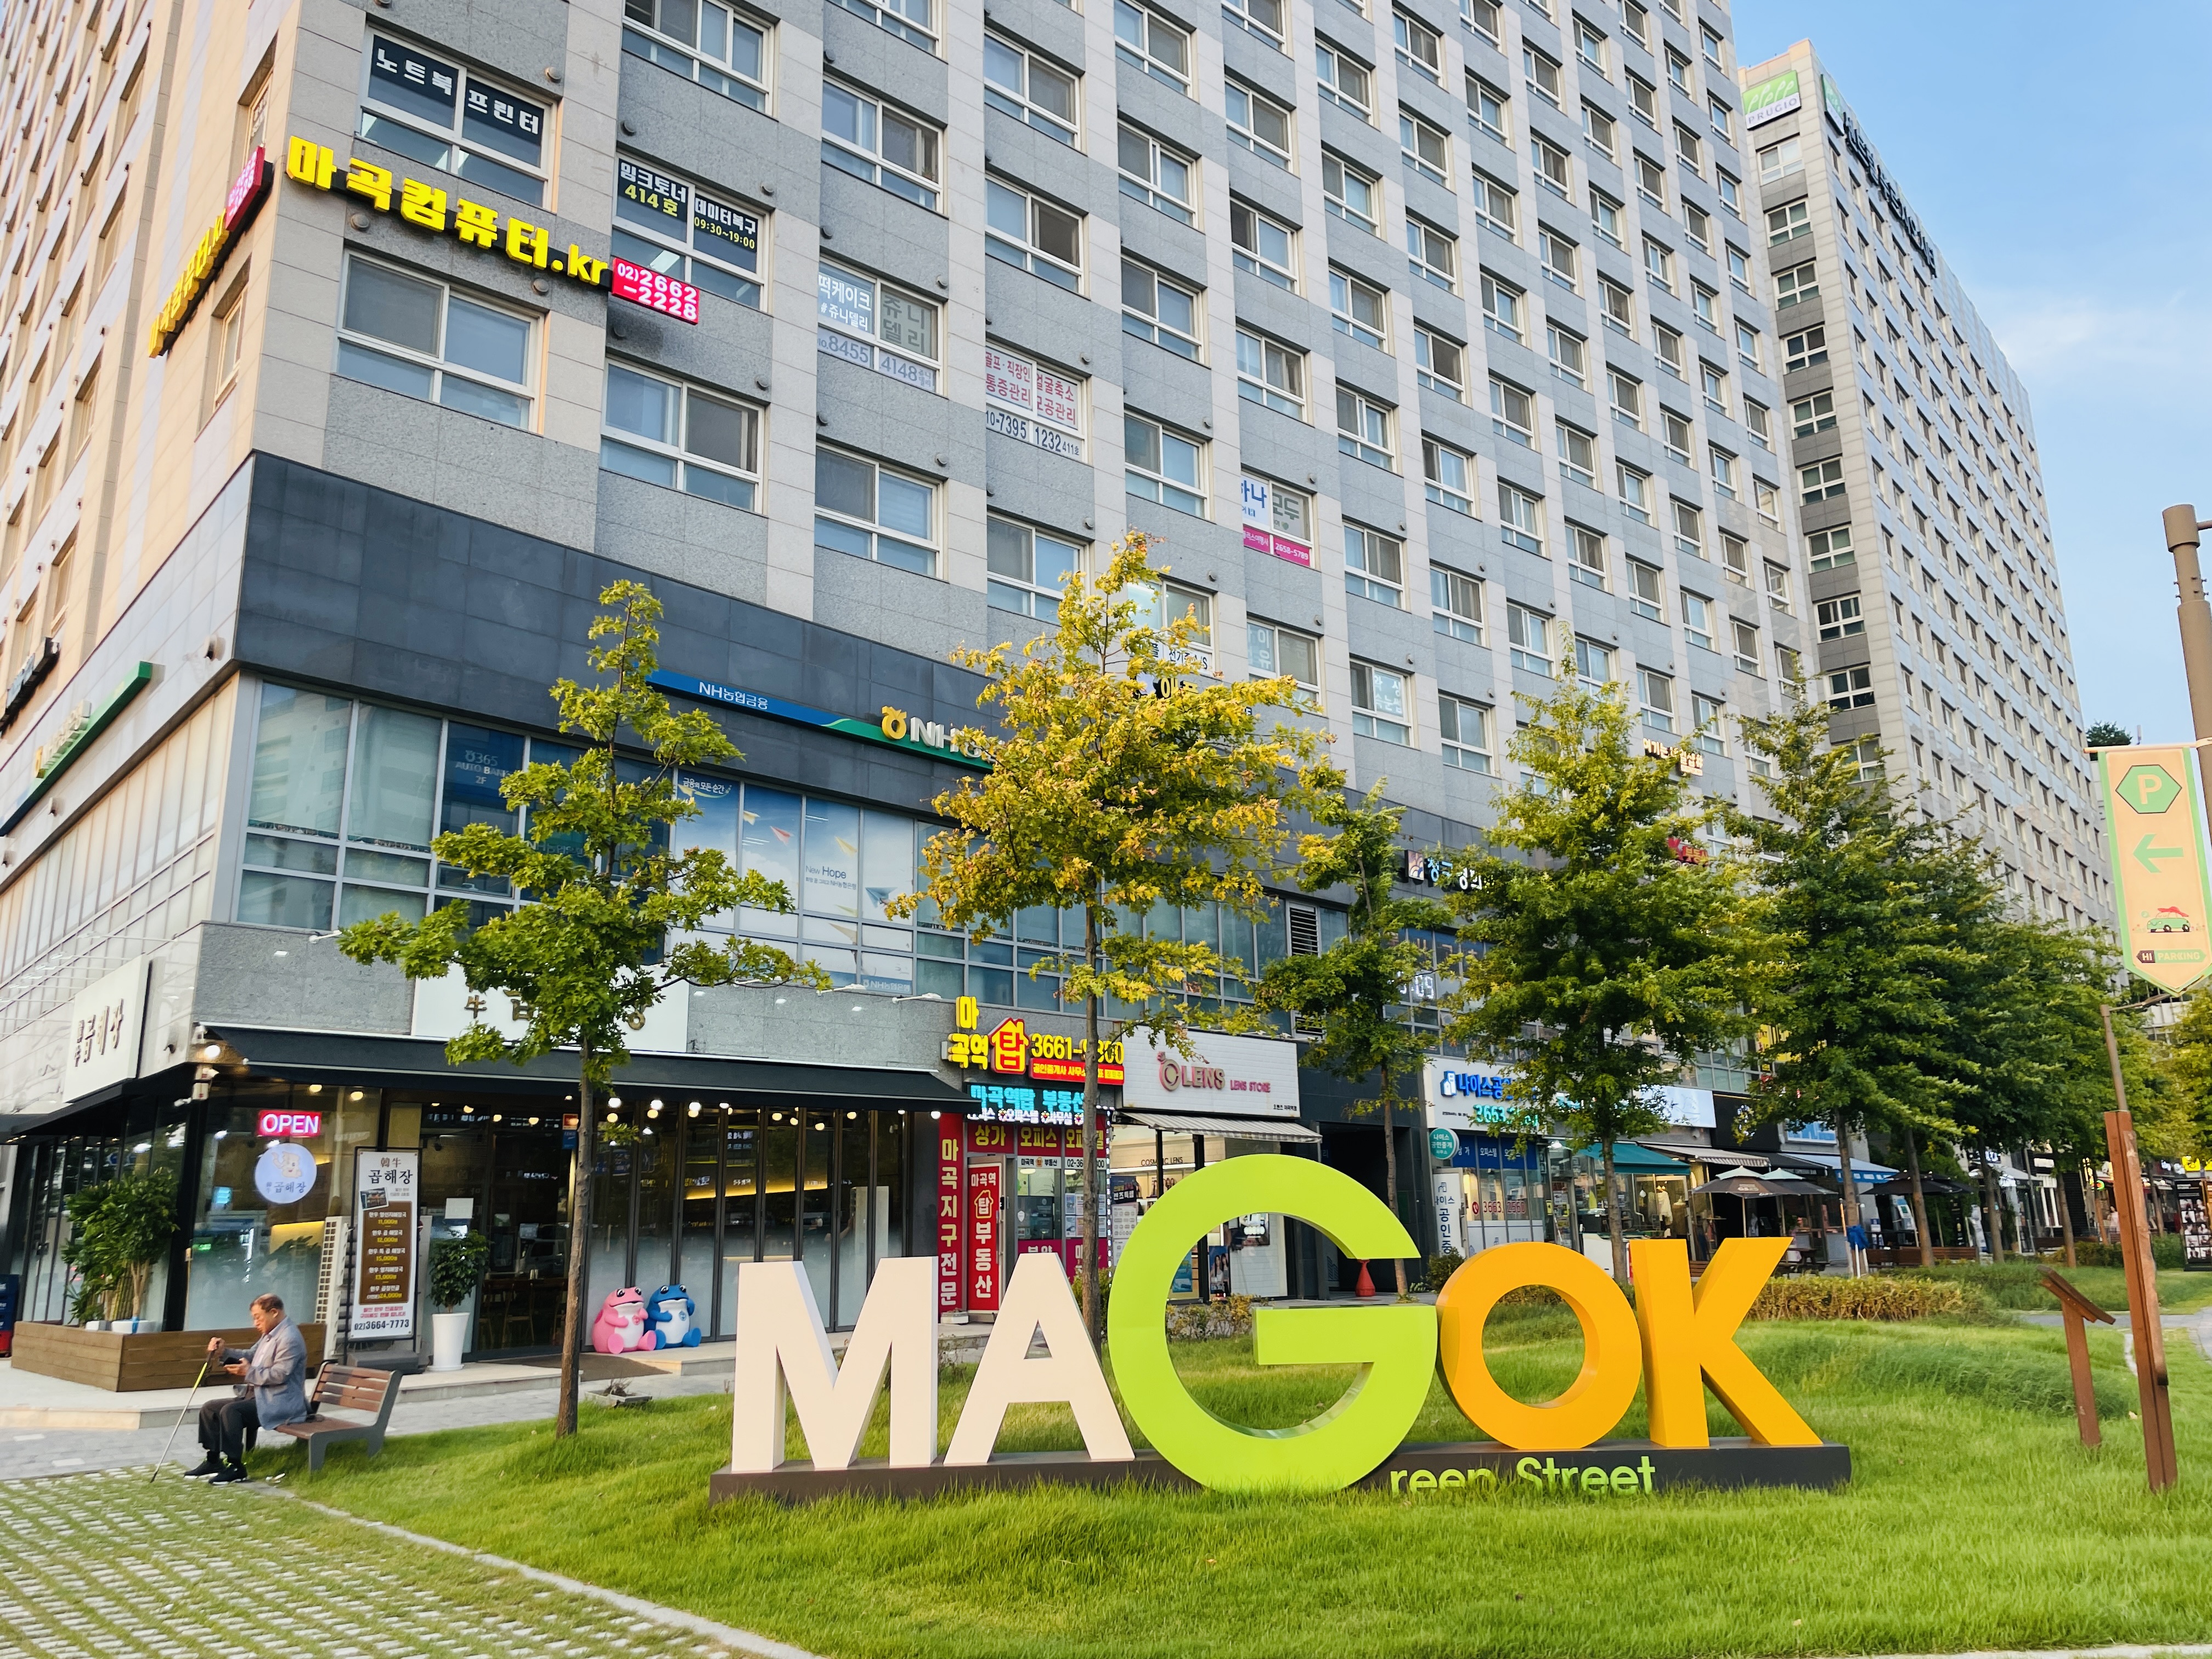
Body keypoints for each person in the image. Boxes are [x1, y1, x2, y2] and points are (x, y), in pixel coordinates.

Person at [184, 1292, 308, 1483]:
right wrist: (223, 1352)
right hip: (258, 1397)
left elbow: (280, 1375)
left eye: (258, 1318)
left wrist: (249, 1372)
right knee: (210, 1408)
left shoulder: (290, 1338)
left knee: (232, 1411)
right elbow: (250, 1355)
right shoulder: (270, 1334)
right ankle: (214, 1461)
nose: (255, 1323)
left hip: (281, 1403)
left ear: (274, 1312)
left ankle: (236, 1467)